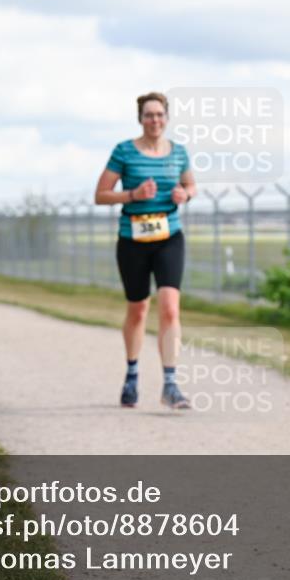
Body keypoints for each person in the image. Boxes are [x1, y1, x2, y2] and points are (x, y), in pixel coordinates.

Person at [94, 92, 197, 409]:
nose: (155, 120)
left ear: (167, 117)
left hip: (169, 236)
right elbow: (101, 194)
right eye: (149, 114)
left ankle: (170, 383)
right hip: (133, 240)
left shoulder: (178, 152)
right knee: (138, 309)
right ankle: (132, 374)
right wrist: (133, 195)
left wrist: (185, 194)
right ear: (140, 118)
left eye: (160, 114)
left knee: (169, 308)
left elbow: (191, 186)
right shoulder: (124, 151)